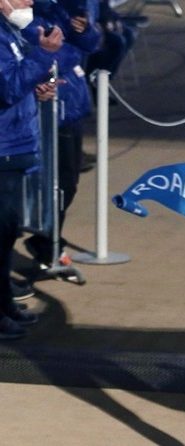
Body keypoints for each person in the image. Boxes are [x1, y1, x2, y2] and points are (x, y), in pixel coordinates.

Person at [0, 0, 63, 339]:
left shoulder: (9, 31)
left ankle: (4, 304)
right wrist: (43, 56)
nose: (30, 2)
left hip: (13, 146)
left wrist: (35, 89)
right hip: (4, 149)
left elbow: (14, 83)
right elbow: (6, 87)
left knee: (6, 233)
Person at [22, 0, 100, 270]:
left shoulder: (61, 8)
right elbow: (48, 57)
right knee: (52, 182)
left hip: (70, 105)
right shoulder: (26, 14)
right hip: (47, 110)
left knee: (67, 182)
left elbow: (92, 44)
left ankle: (48, 241)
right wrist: (72, 49)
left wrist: (83, 31)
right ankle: (46, 242)